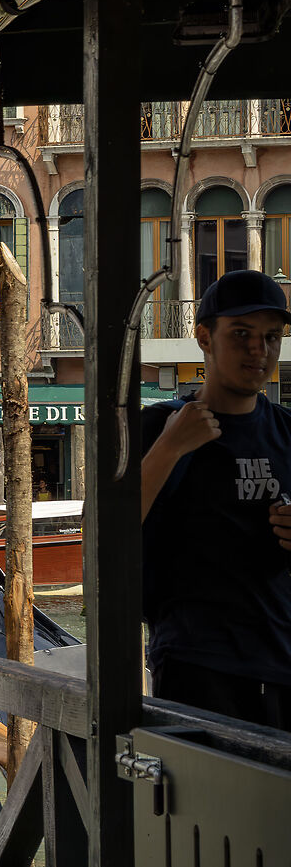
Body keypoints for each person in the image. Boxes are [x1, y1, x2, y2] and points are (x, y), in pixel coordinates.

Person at [141, 270, 291, 726]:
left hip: (284, 664)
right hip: (196, 664)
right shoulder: (158, 425)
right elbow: (103, 533)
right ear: (204, 337)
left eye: (271, 337)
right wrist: (170, 447)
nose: (258, 350)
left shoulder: (288, 431)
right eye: (241, 334)